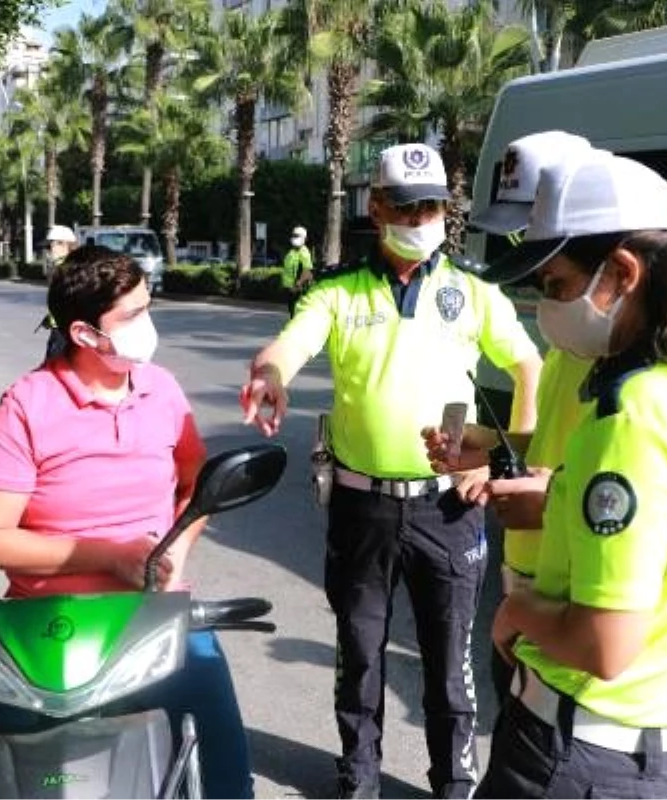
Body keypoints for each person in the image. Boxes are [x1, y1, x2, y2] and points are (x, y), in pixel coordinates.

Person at [454, 151, 667, 798]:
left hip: (587, 763)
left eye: (555, 285)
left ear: (622, 272)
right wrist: (558, 495)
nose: (545, 308)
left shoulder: (635, 411)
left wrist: (520, 611)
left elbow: (604, 644)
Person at [240, 143, 542, 800]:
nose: (420, 217)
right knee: (360, 658)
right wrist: (270, 375)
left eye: (431, 204)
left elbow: (528, 366)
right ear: (376, 207)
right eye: (405, 205)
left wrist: (506, 456)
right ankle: (360, 782)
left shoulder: (472, 289)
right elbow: (292, 343)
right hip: (362, 507)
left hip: (448, 510)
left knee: (448, 668)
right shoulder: (337, 290)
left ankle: (453, 788)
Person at [0, 245, 253, 799]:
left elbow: (196, 484)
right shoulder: (26, 405)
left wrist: (176, 552)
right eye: (132, 316)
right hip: (43, 626)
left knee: (225, 772)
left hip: (157, 616)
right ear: (84, 334)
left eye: (148, 308)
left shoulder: (161, 389)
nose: (147, 326)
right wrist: (112, 556)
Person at [428, 132, 600, 707]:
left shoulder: (624, 364)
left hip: (575, 598)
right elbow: (555, 442)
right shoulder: (573, 336)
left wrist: (544, 496)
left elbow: (626, 485)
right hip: (533, 579)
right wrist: (490, 447)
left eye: (534, 225)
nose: (525, 245)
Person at [41, 224, 79, 360]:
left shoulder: (69, 268)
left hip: (65, 330)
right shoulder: (60, 266)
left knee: (52, 371)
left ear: (65, 245)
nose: (49, 251)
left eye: (51, 246)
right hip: (59, 328)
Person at [281, 224, 314, 316]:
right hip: (290, 289)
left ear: (304, 238)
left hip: (297, 290)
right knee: (292, 313)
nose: (294, 237)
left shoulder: (304, 252)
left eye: (297, 236)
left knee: (296, 315)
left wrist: (298, 285)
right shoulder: (292, 251)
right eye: (293, 235)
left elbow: (307, 271)